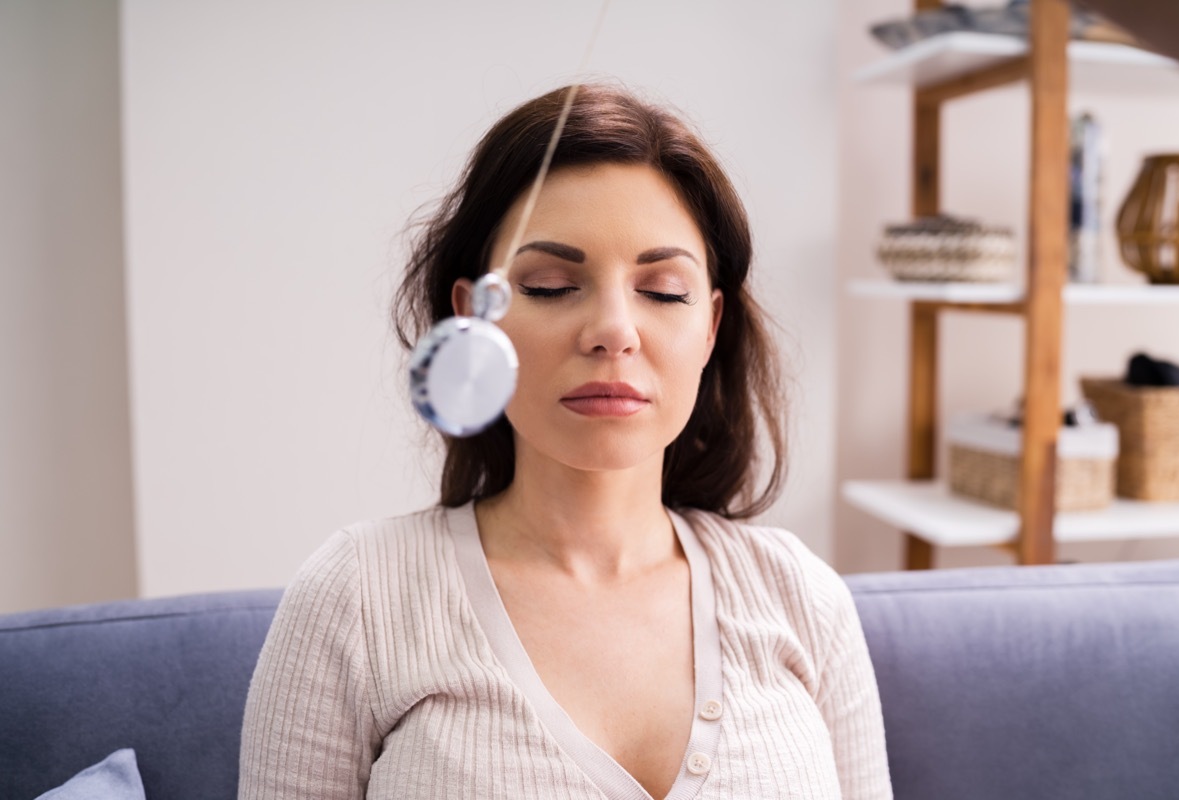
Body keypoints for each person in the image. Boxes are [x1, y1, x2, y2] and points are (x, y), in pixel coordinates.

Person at [239, 83, 892, 800]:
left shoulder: (802, 598)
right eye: (551, 285)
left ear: (709, 327)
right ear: (472, 318)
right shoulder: (357, 599)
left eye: (663, 291)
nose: (614, 330)